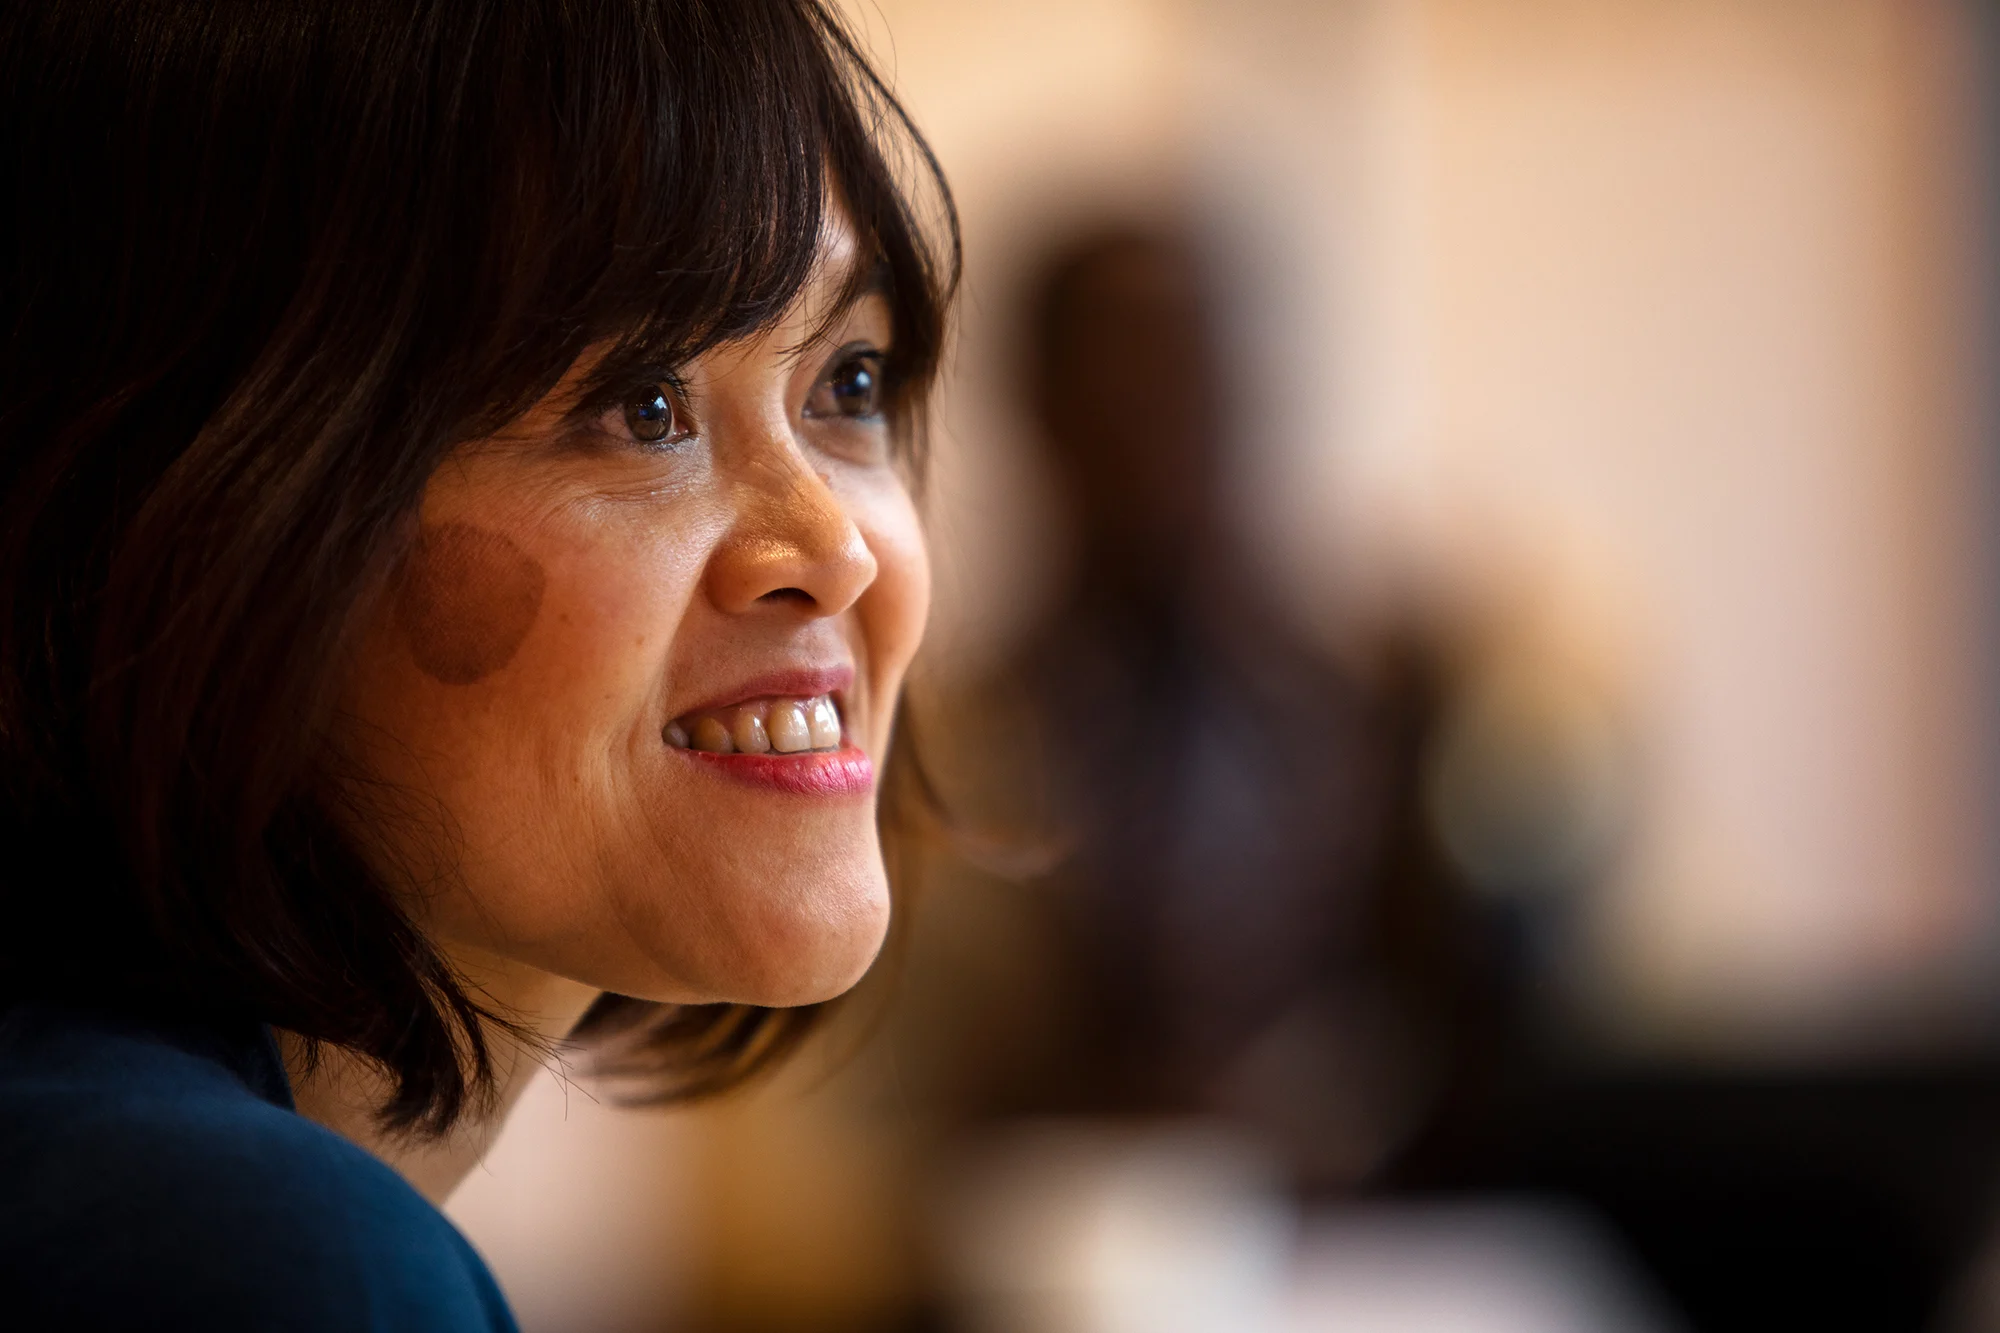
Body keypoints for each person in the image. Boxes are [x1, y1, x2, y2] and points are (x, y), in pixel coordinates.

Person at [0, 1, 955, 1327]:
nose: (834, 551)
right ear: (209, 497)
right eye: (643, 404)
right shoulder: (244, 1260)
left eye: (847, 384)